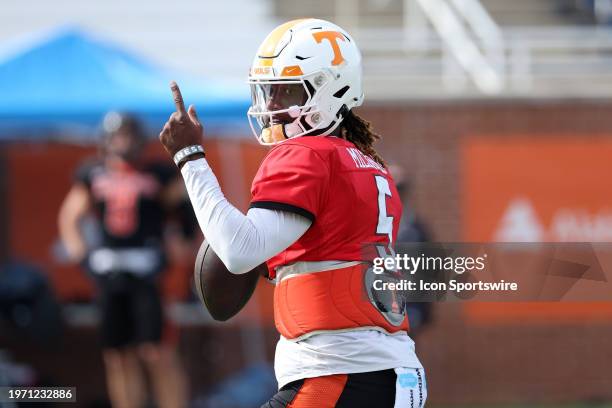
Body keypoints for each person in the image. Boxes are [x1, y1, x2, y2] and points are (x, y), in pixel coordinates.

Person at [159, 19, 427, 407]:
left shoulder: (305, 154)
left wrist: (190, 157)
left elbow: (238, 251)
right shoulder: (369, 165)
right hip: (389, 372)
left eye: (284, 93)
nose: (269, 107)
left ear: (331, 89)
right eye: (266, 92)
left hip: (339, 370)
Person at [58, 112, 189, 408]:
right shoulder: (92, 173)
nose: (124, 142)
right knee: (117, 355)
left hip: (146, 273)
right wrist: (84, 259)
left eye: (129, 136)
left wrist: (174, 253)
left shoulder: (157, 173)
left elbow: (184, 215)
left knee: (157, 352)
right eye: (118, 136)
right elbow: (69, 217)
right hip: (109, 273)